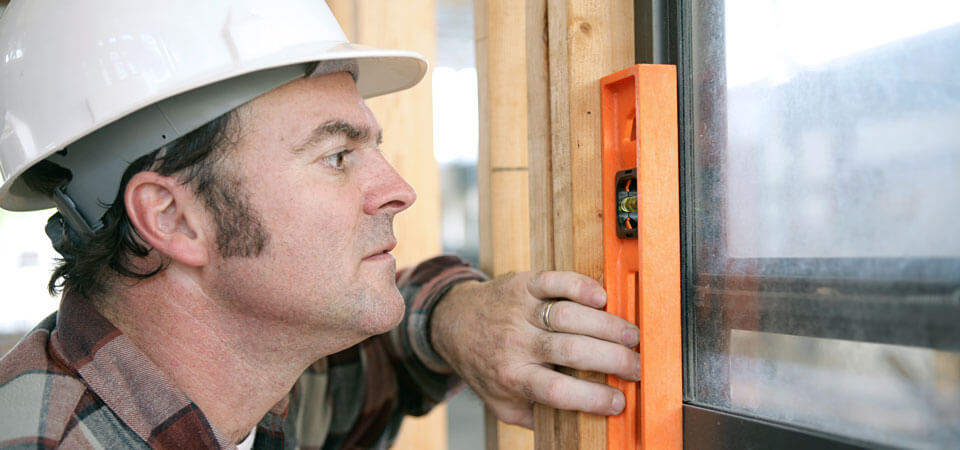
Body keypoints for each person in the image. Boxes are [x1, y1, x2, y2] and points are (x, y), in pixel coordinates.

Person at [0, 1, 643, 448]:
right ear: (174, 217)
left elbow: (390, 354)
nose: (399, 191)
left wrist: (458, 320)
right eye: (337, 156)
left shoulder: (251, 386)